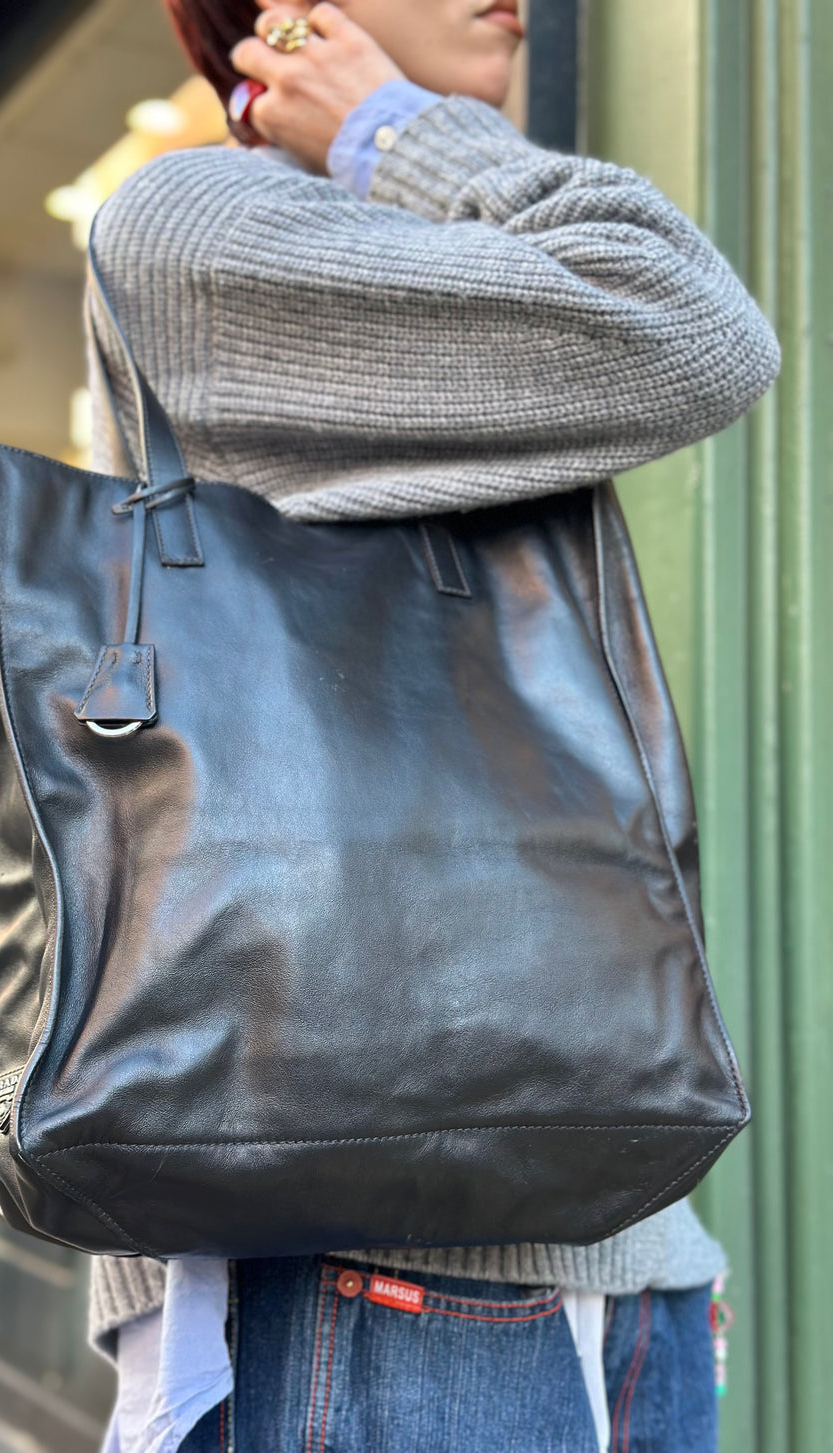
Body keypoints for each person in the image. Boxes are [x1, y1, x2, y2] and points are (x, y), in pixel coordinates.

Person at [84, 3, 780, 1449]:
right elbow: (694, 325)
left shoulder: (439, 260)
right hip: (369, 1272)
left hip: (624, 1265)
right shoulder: (200, 220)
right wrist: (392, 131)